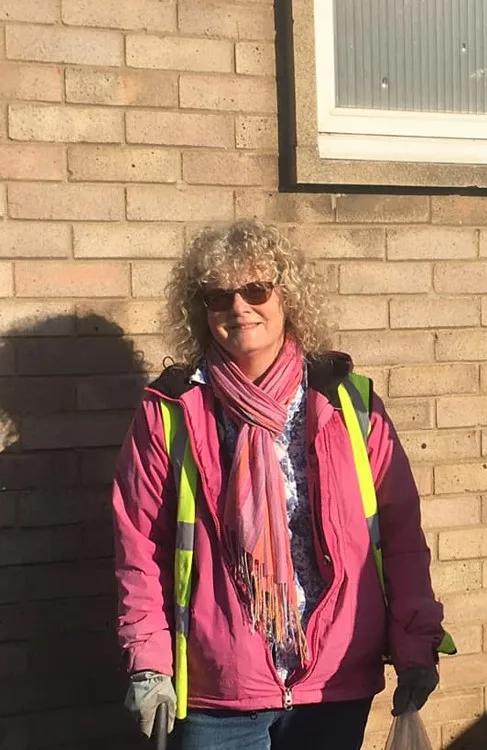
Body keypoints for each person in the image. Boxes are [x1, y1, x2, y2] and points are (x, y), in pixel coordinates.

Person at [112, 220, 450, 749]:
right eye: (218, 296)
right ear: (200, 312)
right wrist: (148, 665)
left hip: (334, 683)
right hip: (217, 691)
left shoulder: (348, 404)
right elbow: (140, 551)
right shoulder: (171, 413)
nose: (238, 307)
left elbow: (401, 538)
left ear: (286, 296)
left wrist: (416, 646)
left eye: (255, 290)